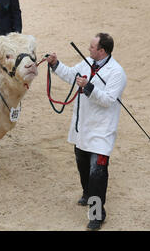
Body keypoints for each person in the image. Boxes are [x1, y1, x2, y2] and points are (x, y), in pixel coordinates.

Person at [46, 33, 127, 230]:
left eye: (92, 47)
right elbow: (70, 75)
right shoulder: (87, 62)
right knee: (82, 163)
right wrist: (56, 64)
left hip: (101, 131)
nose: (88, 49)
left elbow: (108, 100)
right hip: (82, 127)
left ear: (102, 51)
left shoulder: (117, 73)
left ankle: (97, 215)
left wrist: (89, 87)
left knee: (98, 173)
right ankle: (87, 192)